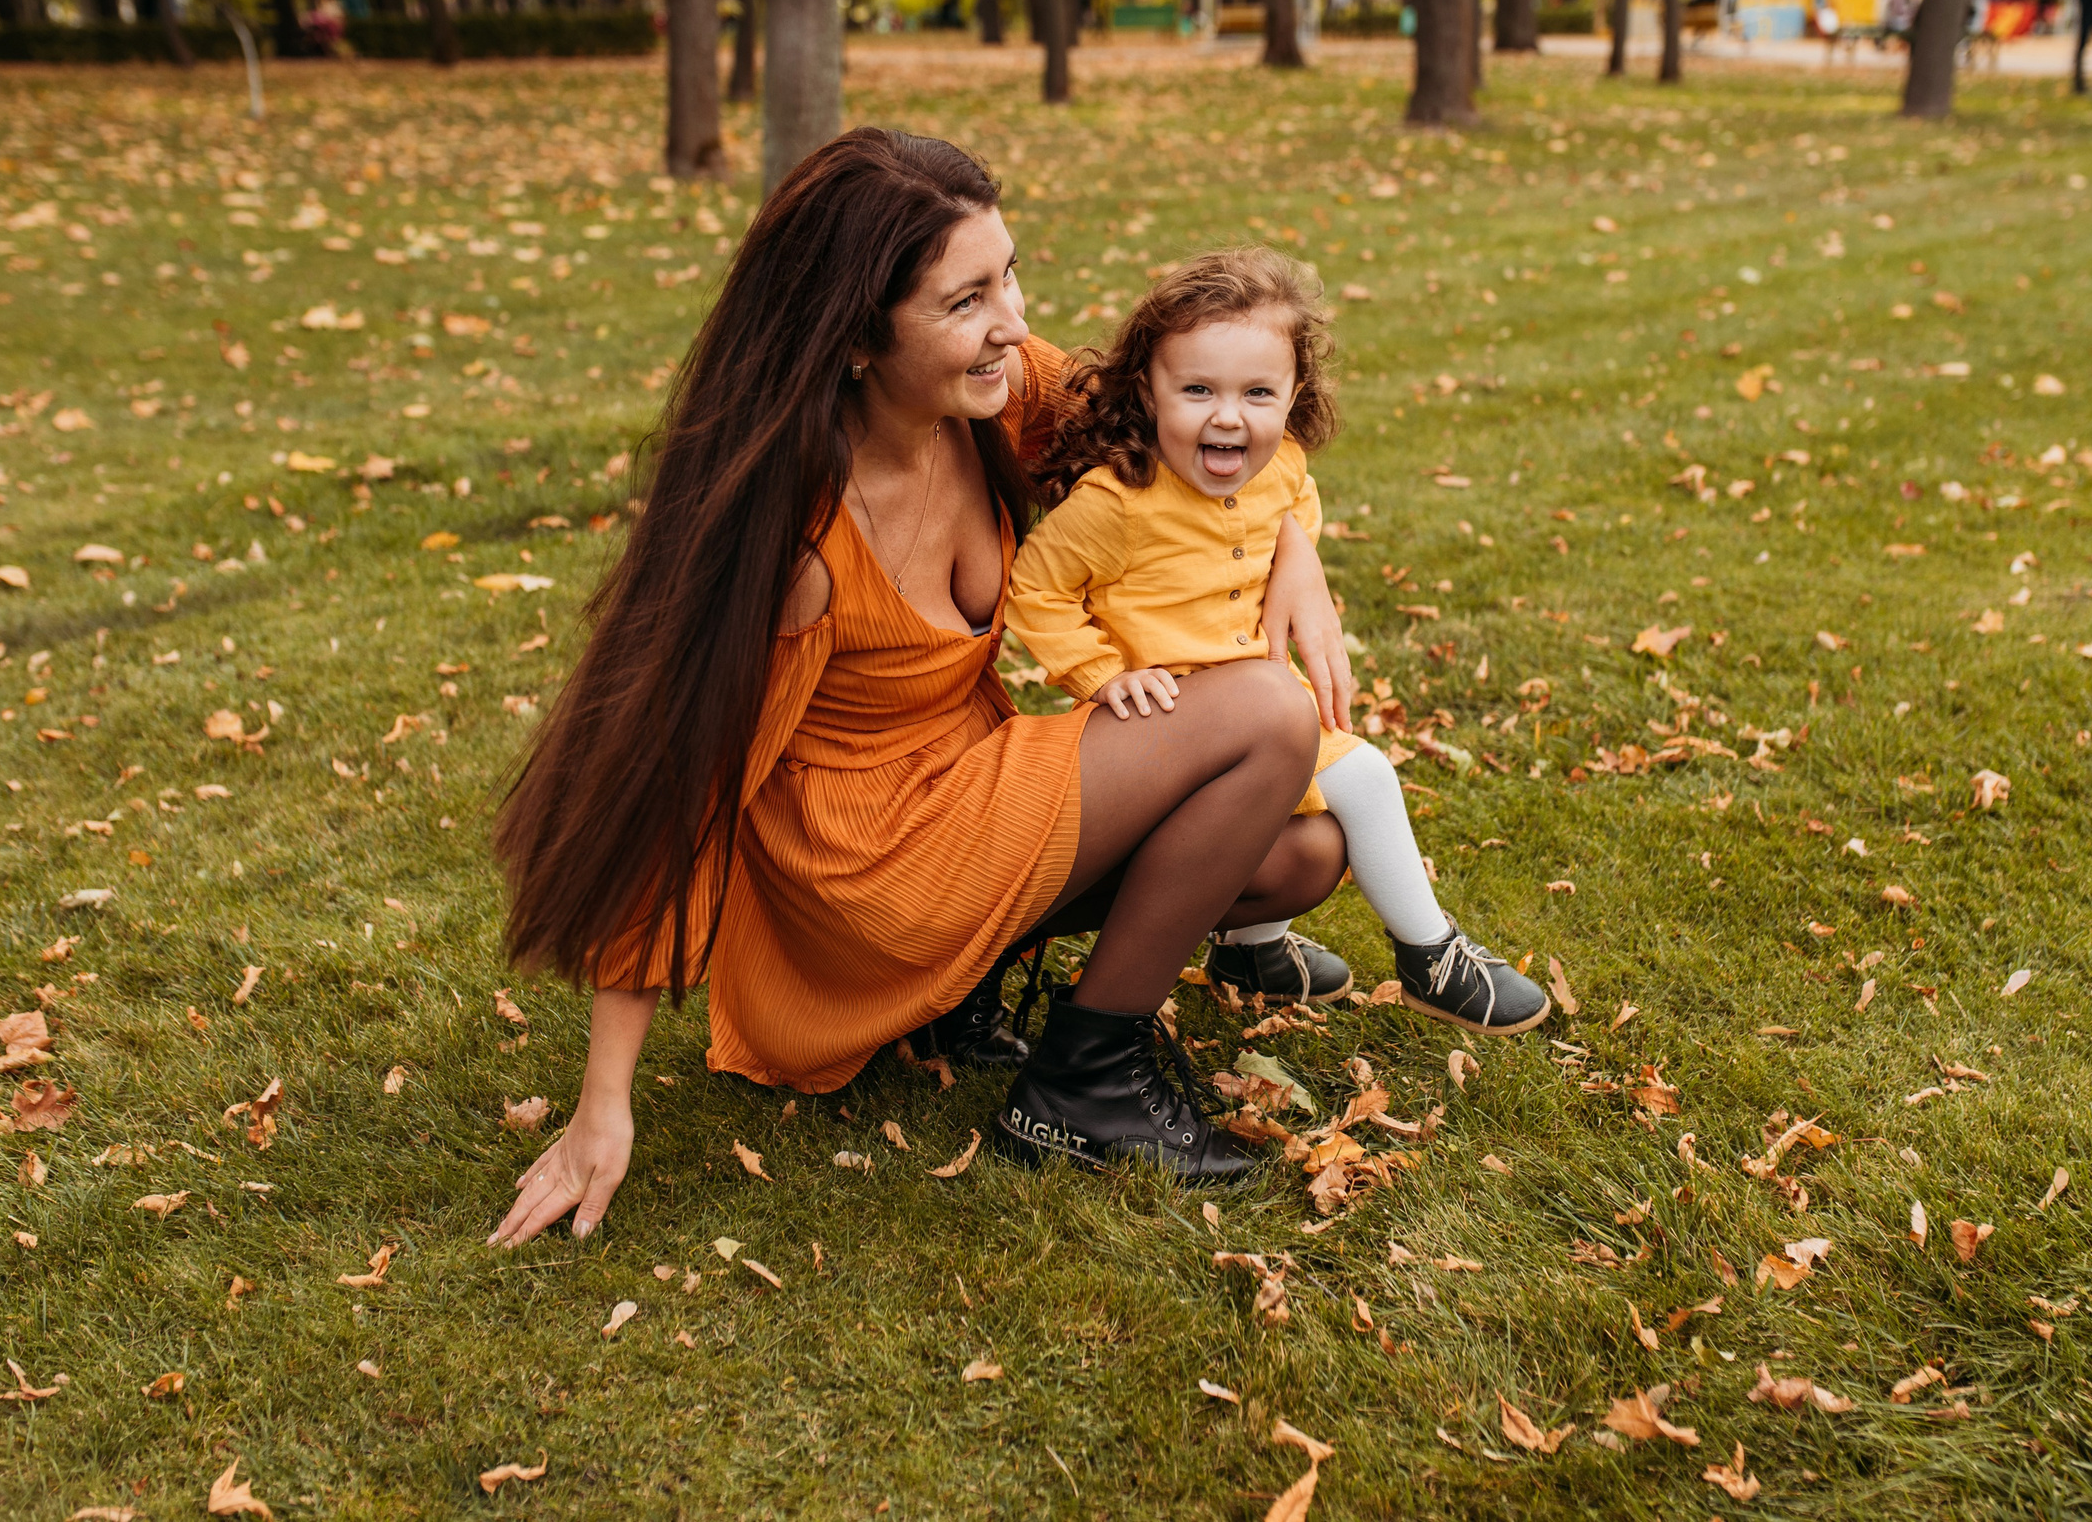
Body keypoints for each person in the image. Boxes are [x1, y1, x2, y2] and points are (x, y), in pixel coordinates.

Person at [485, 129, 1360, 1248]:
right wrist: (603, 1101)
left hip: (969, 788)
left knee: (1300, 853)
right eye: (965, 300)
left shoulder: (1000, 392)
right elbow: (675, 790)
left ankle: (964, 995)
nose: (1010, 321)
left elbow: (1213, 422)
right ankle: (1084, 1081)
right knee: (1266, 711)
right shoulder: (797, 542)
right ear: (854, 334)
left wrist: (1300, 554)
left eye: (1008, 275)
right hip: (870, 867)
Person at [1003, 248, 1552, 1074]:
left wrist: (1299, 551)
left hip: (1258, 708)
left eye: (1259, 393)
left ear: (1294, 396)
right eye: (1198, 391)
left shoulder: (1281, 467)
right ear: (1148, 390)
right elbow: (1034, 587)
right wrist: (1100, 672)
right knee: (1363, 776)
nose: (1230, 418)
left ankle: (1252, 951)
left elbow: (1296, 503)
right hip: (1168, 731)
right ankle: (1431, 953)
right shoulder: (1118, 501)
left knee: (1306, 814)